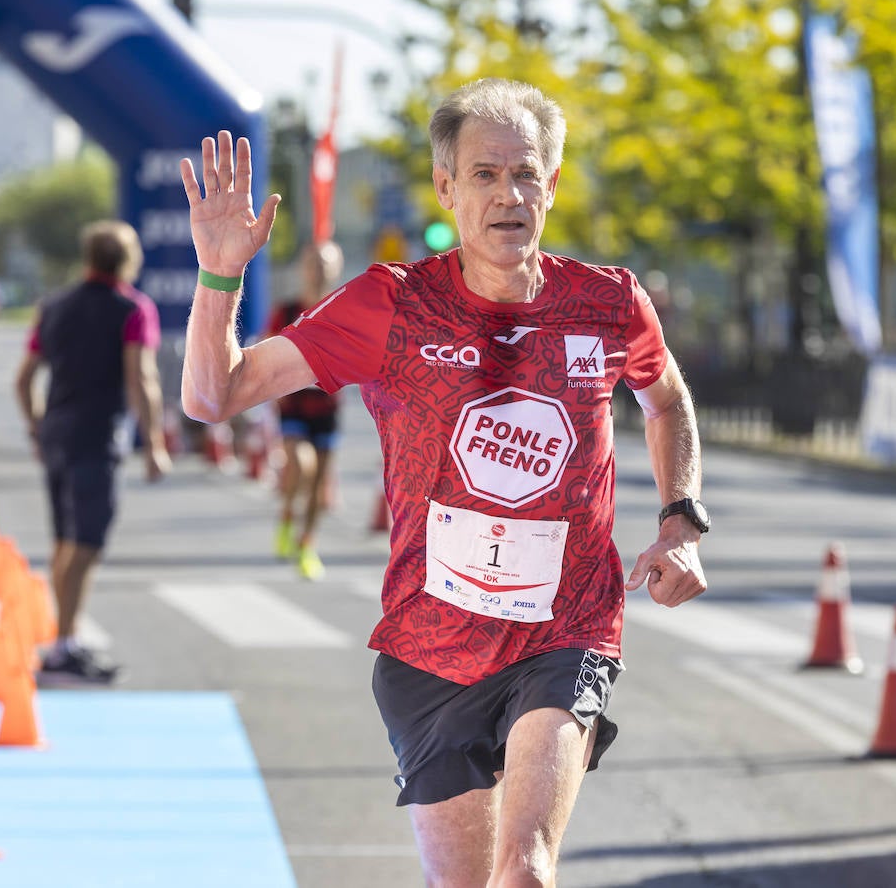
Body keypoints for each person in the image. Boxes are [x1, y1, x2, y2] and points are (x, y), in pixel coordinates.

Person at [180, 79, 709, 885]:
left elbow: (664, 395)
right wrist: (220, 279)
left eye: (527, 174)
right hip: (432, 646)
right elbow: (215, 396)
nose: (509, 195)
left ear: (553, 187)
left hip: (564, 631)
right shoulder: (391, 307)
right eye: (486, 175)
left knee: (525, 870)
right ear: (446, 188)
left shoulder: (606, 303)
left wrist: (680, 521)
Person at [14, 220, 171, 686]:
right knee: (86, 545)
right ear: (127, 260)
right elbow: (140, 377)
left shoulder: (53, 306)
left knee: (65, 540)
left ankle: (65, 639)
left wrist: (35, 425)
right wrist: (155, 442)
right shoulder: (133, 308)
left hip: (58, 432)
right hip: (97, 435)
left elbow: (23, 379)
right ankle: (62, 647)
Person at [266, 241, 345, 581]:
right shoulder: (287, 312)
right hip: (294, 404)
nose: (319, 270)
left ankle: (307, 544)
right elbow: (268, 351)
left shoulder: (341, 311)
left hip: (326, 407)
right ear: (303, 268)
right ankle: (286, 515)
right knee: (302, 463)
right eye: (314, 263)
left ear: (336, 270)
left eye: (326, 265)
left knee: (317, 487)